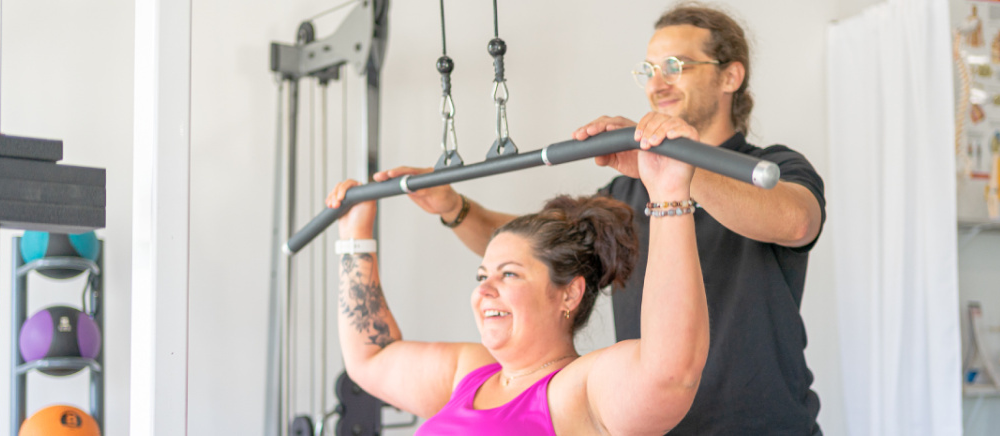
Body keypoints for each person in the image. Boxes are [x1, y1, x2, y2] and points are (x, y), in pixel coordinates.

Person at [372, 2, 825, 434]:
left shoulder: (770, 167)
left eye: (676, 66)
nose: (657, 83)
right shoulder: (627, 190)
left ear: (731, 76)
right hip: (650, 424)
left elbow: (795, 222)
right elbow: (535, 254)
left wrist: (677, 167)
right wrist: (455, 208)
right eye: (648, 70)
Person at [328, 140, 707, 435]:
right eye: (482, 276)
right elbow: (371, 357)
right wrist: (355, 237)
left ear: (569, 294)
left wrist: (669, 193)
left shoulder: (577, 392)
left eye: (509, 274)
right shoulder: (471, 373)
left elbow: (670, 372)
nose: (485, 290)